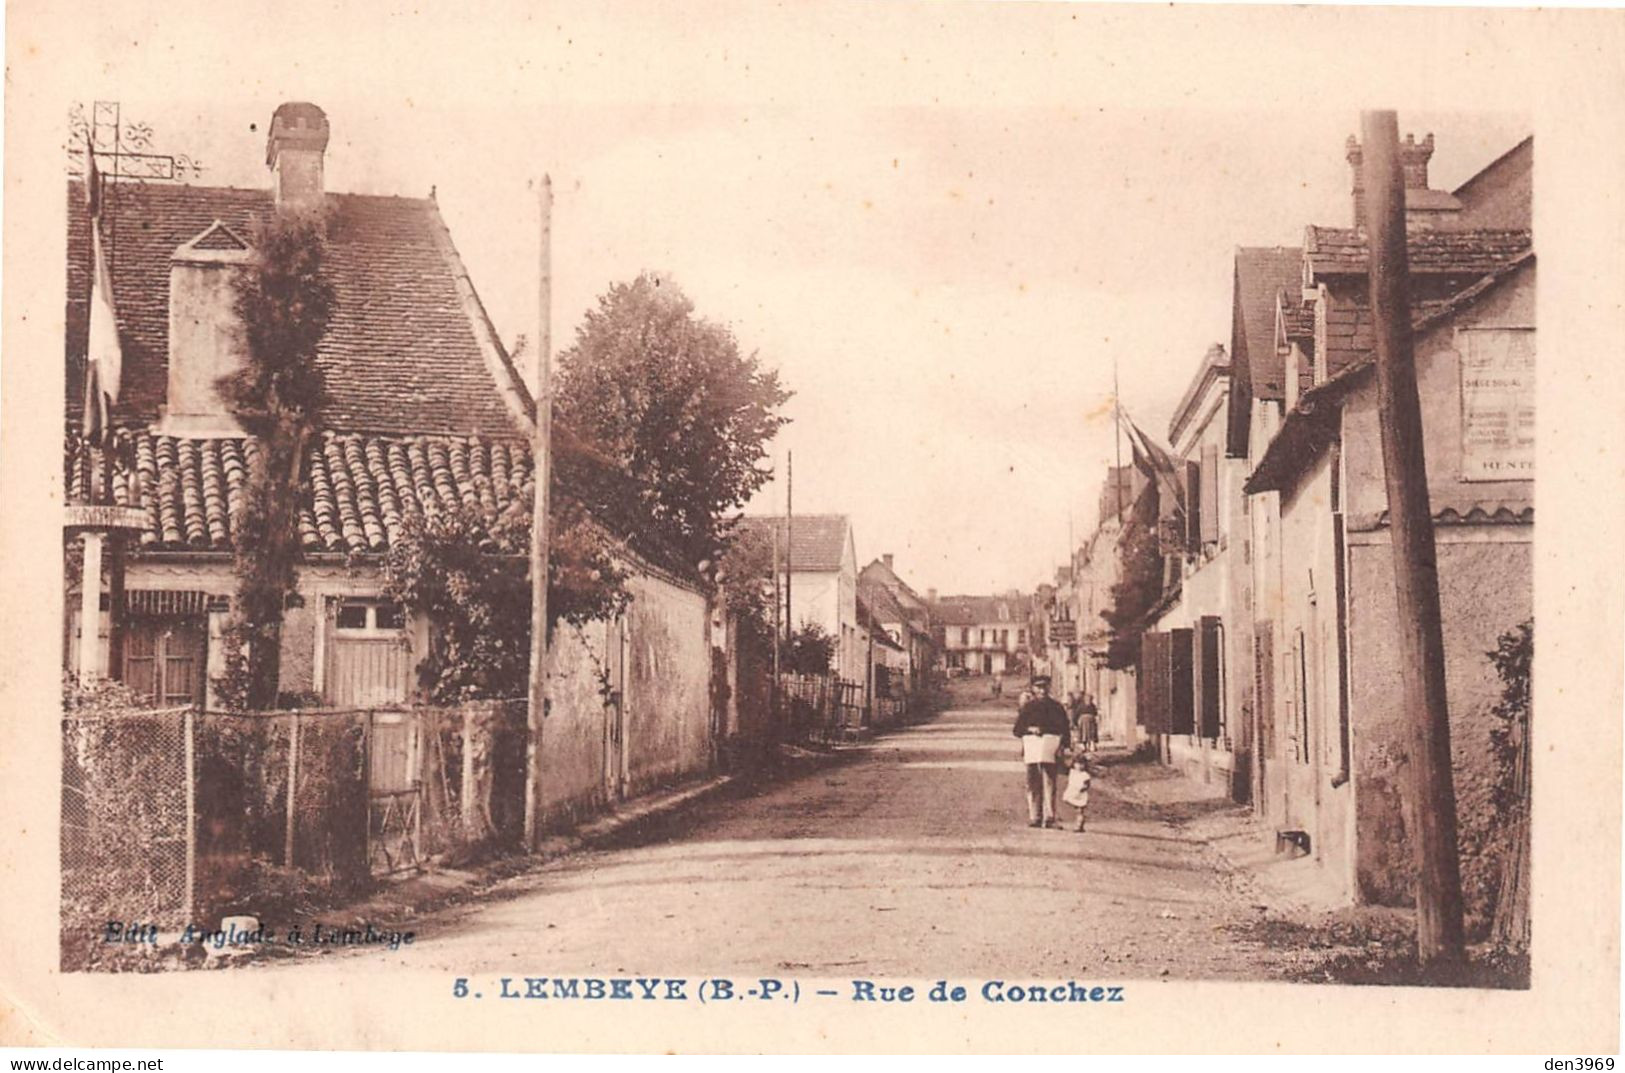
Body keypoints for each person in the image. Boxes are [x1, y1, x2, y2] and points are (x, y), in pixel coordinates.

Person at [1012, 675, 1070, 828]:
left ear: (1049, 688)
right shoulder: (1028, 707)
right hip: (1032, 748)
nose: (1042, 690)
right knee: (1032, 783)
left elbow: (1065, 728)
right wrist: (1030, 729)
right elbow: (1017, 730)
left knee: (1050, 782)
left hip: (1050, 748)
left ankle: (1050, 817)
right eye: (1039, 687)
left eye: (1045, 687)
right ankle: (1035, 816)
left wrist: (1063, 746)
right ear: (1033, 689)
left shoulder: (1056, 707)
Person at [1062, 748, 1095, 832]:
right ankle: (1079, 824)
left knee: (1079, 811)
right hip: (1073, 792)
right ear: (1074, 764)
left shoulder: (1085, 775)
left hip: (1080, 794)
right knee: (1075, 807)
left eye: (1082, 764)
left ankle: (1079, 825)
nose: (1079, 766)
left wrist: (1084, 787)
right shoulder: (1072, 772)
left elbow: (1087, 784)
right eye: (1077, 764)